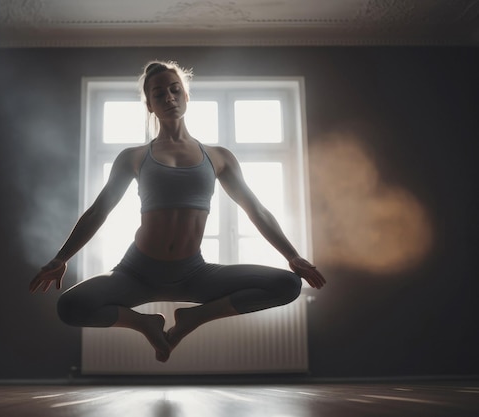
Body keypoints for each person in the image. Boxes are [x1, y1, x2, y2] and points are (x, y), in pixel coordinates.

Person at [29, 60, 326, 362]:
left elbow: (257, 211)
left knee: (287, 285)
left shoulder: (218, 157)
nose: (169, 97)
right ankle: (145, 323)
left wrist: (292, 255)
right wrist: (61, 257)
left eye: (175, 90)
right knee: (70, 306)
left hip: (193, 273)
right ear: (150, 105)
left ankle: (194, 318)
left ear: (186, 96)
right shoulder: (133, 157)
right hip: (136, 272)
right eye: (159, 94)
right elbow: (98, 212)